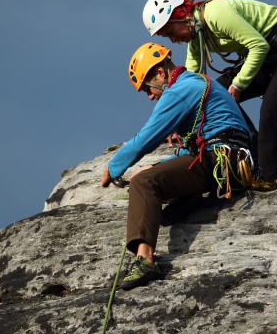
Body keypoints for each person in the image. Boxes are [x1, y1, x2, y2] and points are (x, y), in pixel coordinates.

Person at [101, 42, 252, 290]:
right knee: (166, 214)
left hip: (219, 157)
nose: (150, 96)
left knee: (143, 182)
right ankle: (195, 202)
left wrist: (113, 167)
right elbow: (191, 149)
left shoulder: (180, 90)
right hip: (227, 158)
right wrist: (159, 165)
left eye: (147, 89)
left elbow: (147, 138)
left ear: (160, 72)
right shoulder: (194, 83)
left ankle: (145, 260)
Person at [142, 0, 277, 189]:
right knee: (213, 92)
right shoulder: (197, 36)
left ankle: (271, 179)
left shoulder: (215, 14)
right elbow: (191, 87)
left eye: (170, 33)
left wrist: (238, 86)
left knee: (271, 111)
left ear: (180, 16)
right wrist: (172, 121)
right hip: (272, 56)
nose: (173, 41)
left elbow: (258, 46)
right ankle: (254, 158)